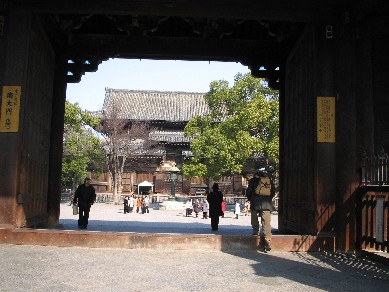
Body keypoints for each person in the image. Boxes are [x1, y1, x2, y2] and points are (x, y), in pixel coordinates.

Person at [246, 170, 274, 252]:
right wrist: (268, 199)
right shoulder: (269, 181)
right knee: (266, 222)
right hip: (267, 203)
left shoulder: (253, 181)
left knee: (254, 218)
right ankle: (268, 239)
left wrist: (250, 199)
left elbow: (249, 192)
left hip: (255, 202)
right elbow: (272, 192)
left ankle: (255, 232)